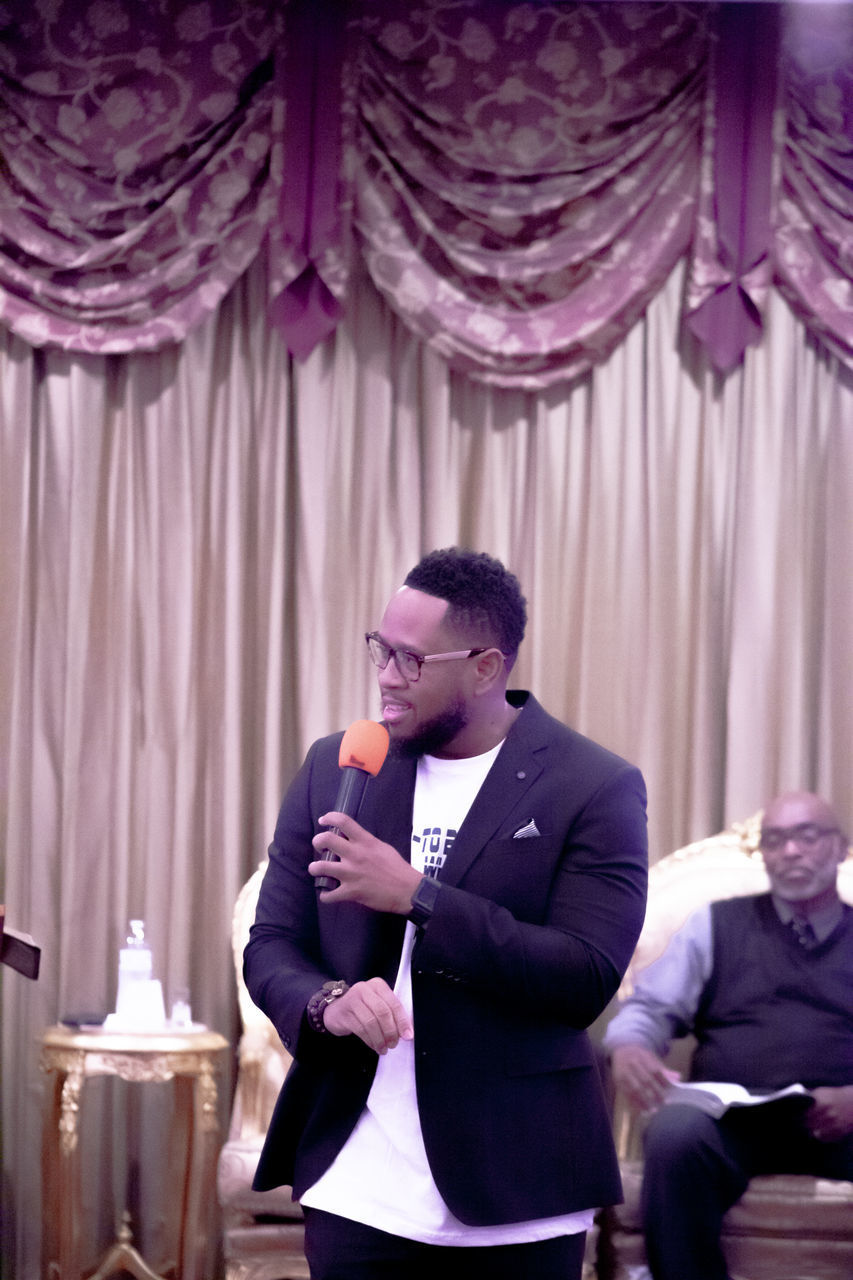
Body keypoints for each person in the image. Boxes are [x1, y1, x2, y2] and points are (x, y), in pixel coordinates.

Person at [244, 547, 648, 1280]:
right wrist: (325, 1003)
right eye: (380, 650)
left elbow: (585, 976)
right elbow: (272, 941)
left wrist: (417, 898)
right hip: (356, 1173)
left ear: (485, 667)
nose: (386, 678)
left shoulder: (593, 785)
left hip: (518, 1184)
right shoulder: (337, 764)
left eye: (410, 660)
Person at [603, 789, 853, 1280]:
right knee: (675, 1133)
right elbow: (652, 1007)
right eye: (776, 840)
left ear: (841, 848)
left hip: (842, 1117)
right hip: (734, 1120)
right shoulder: (716, 925)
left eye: (807, 836)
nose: (791, 852)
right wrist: (629, 1045)